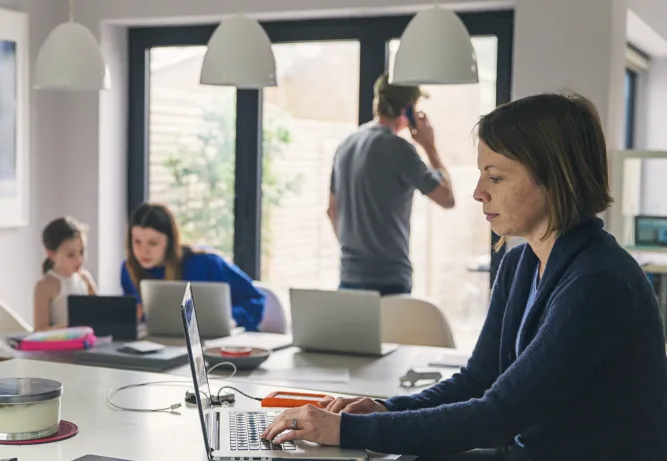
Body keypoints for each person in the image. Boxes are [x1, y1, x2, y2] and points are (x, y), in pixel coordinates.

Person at [262, 92, 667, 460]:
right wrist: (384, 409)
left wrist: (347, 430)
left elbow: (497, 415)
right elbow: (479, 380)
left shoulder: (599, 283)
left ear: (554, 178)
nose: (478, 192)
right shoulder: (520, 264)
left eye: (496, 177)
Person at [328, 72, 455, 296]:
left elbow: (332, 211)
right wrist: (429, 146)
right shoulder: (399, 149)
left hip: (348, 278)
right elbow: (447, 198)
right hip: (390, 282)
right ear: (409, 109)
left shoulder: (345, 145)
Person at [120, 203, 265, 331]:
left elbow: (255, 300)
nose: (143, 251)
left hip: (218, 344)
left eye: (153, 243)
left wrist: (228, 319)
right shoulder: (129, 270)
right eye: (137, 241)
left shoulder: (205, 262)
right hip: (164, 344)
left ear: (170, 242)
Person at [33, 217, 97, 331]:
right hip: (60, 341)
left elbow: (100, 312)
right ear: (51, 255)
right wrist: (72, 327)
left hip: (85, 340)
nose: (79, 259)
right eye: (71, 255)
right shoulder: (45, 286)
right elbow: (39, 329)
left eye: (82, 251)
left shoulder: (85, 278)